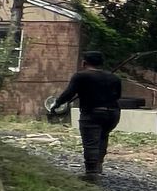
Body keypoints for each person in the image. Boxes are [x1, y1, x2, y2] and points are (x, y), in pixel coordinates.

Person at [50, 50, 122, 181]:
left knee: (91, 142)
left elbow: (69, 93)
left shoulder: (81, 76)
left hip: (92, 113)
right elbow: (118, 96)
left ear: (84, 63)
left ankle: (91, 172)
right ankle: (98, 166)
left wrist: (57, 104)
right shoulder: (114, 77)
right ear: (101, 63)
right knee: (102, 137)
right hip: (113, 114)